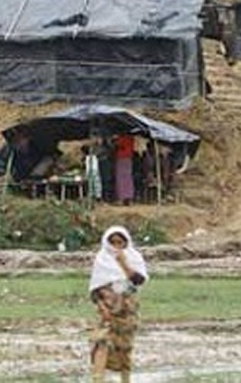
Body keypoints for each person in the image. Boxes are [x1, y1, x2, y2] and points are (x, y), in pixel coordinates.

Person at [89, 226, 149, 382]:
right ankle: (97, 378)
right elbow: (95, 288)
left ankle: (125, 378)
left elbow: (139, 281)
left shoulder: (134, 257)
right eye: (113, 242)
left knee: (125, 346)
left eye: (119, 242)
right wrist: (102, 308)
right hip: (107, 309)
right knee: (101, 342)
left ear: (125, 242)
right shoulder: (101, 258)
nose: (116, 245)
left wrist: (124, 264)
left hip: (127, 309)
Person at [114, 136, 136, 206]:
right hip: (128, 159)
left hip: (122, 158)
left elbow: (118, 145)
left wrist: (115, 140)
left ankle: (122, 198)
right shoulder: (131, 138)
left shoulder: (122, 138)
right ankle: (128, 198)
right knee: (128, 178)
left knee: (121, 179)